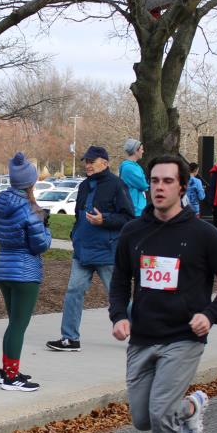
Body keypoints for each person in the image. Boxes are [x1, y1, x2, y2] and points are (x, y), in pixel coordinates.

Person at [109, 154, 217, 433]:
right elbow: (120, 280)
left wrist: (210, 315)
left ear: (182, 186)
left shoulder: (203, 234)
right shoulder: (134, 232)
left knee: (160, 411)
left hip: (183, 338)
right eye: (154, 181)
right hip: (142, 337)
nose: (159, 188)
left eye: (168, 181)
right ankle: (192, 407)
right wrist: (119, 316)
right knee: (142, 418)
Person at [46, 145, 134, 352]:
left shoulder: (117, 185)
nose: (88, 165)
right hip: (82, 250)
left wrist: (105, 220)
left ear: (105, 163)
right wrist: (75, 234)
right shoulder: (84, 185)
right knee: (73, 291)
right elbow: (79, 214)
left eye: (91, 161)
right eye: (86, 161)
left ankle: (147, 333)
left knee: (117, 295)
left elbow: (128, 217)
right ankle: (70, 338)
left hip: (107, 251)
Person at [0, 152, 52, 391]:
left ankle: (7, 370)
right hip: (25, 272)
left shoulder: (0, 203)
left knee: (13, 323)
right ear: (30, 182)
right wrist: (46, 227)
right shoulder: (29, 209)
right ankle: (11, 377)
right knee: (18, 325)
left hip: (4, 268)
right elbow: (41, 245)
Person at [119, 138, 148, 213]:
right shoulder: (129, 168)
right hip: (135, 209)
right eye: (141, 149)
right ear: (135, 151)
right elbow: (143, 185)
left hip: (137, 208)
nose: (143, 151)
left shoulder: (134, 166)